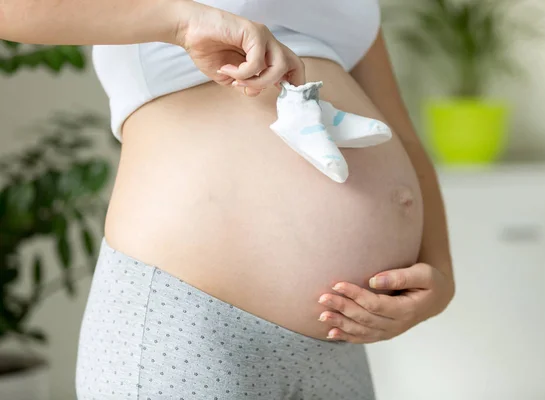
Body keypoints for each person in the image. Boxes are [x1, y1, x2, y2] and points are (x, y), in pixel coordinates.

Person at [1, 0, 456, 398]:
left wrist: (441, 276)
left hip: (337, 346)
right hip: (191, 322)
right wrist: (180, 21)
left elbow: (404, 138)